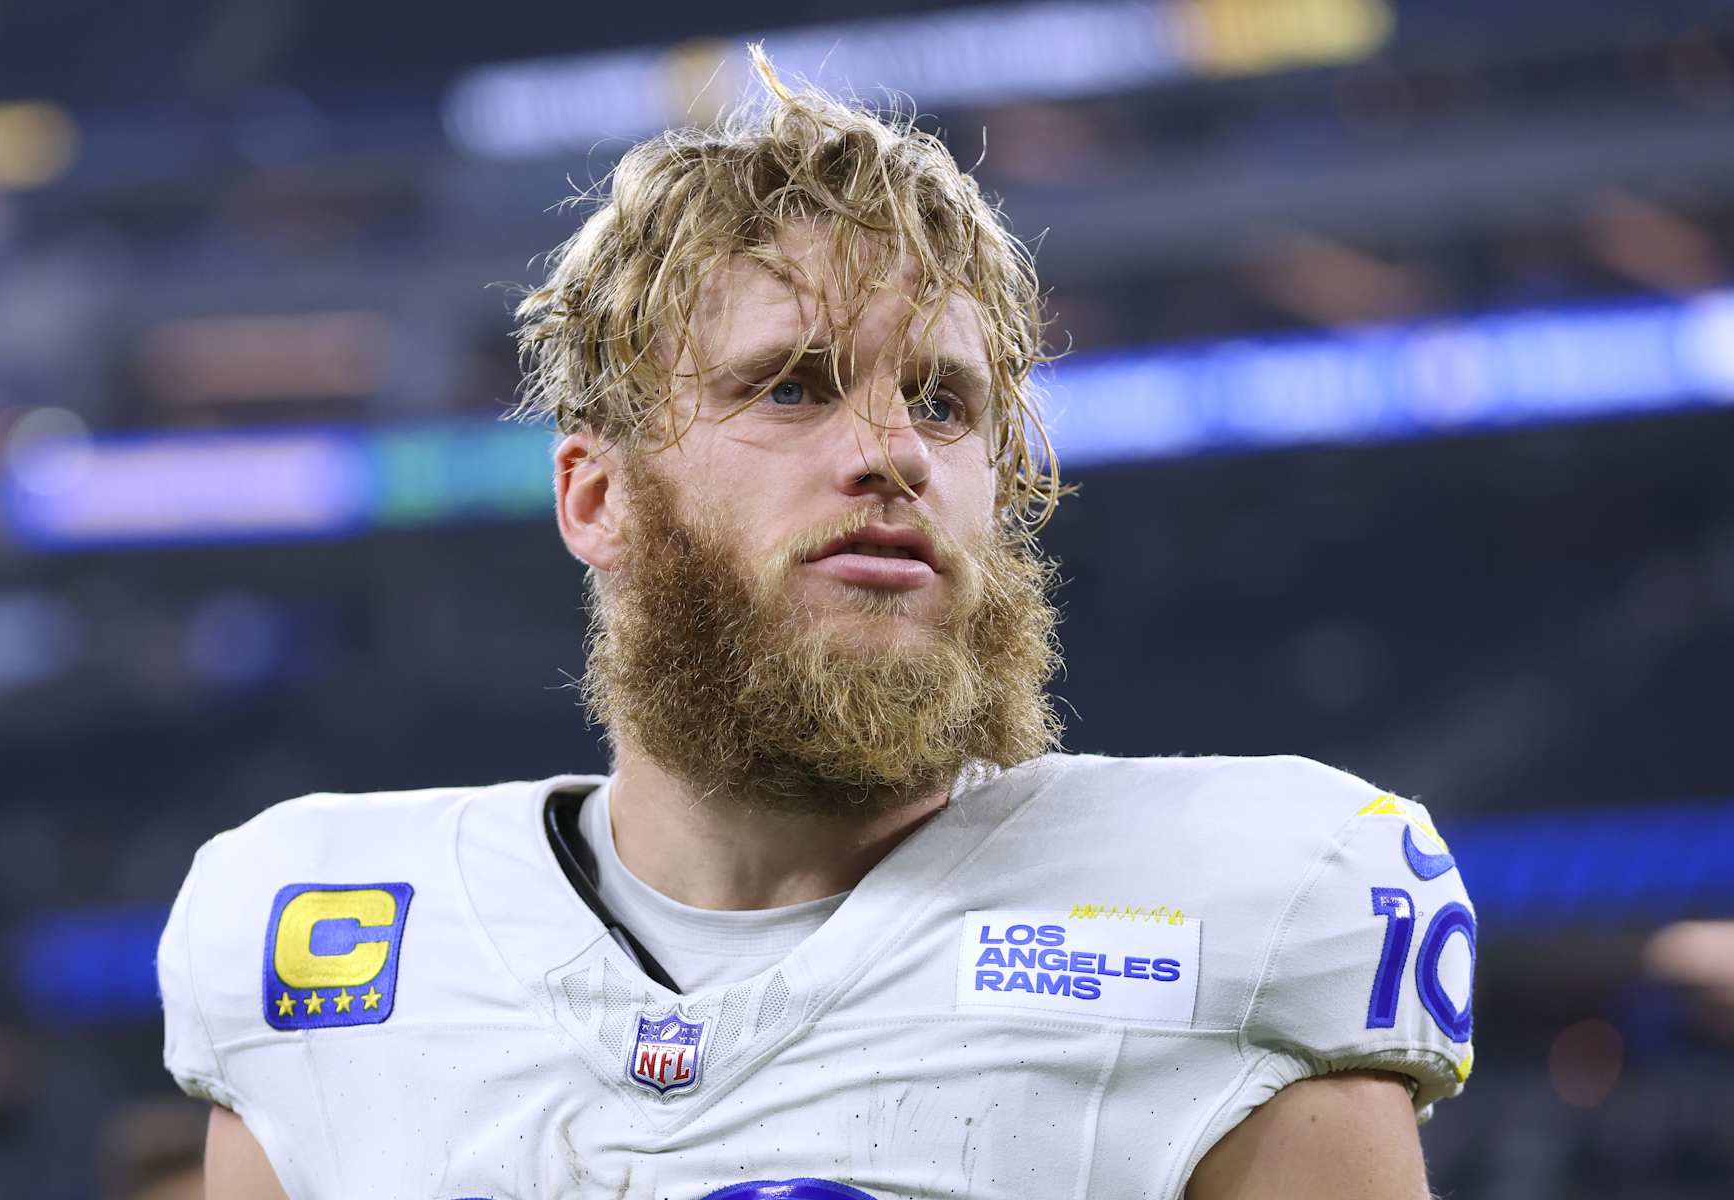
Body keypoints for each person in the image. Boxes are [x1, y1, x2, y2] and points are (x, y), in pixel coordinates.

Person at [159, 49, 1476, 1200]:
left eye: (946, 403)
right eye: (792, 390)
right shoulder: (317, 938)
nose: (891, 453)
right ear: (598, 495)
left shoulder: (1251, 908)